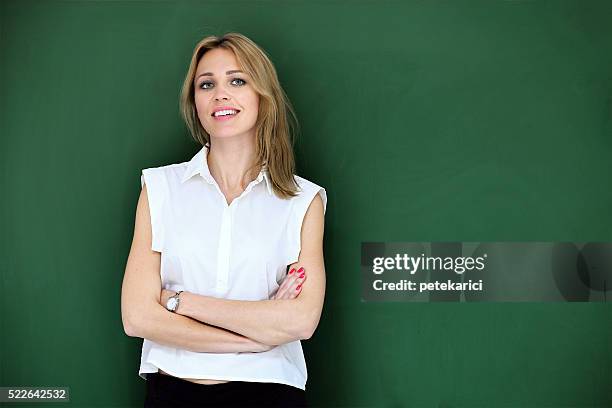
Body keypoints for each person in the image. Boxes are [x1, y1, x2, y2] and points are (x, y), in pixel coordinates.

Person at [120, 32, 327, 407]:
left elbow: (301, 321)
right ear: (195, 101)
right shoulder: (159, 187)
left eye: (237, 80)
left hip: (270, 394)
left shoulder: (302, 200)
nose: (220, 94)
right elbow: (136, 317)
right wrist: (257, 337)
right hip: (172, 392)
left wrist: (178, 301)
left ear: (263, 96)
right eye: (206, 84)